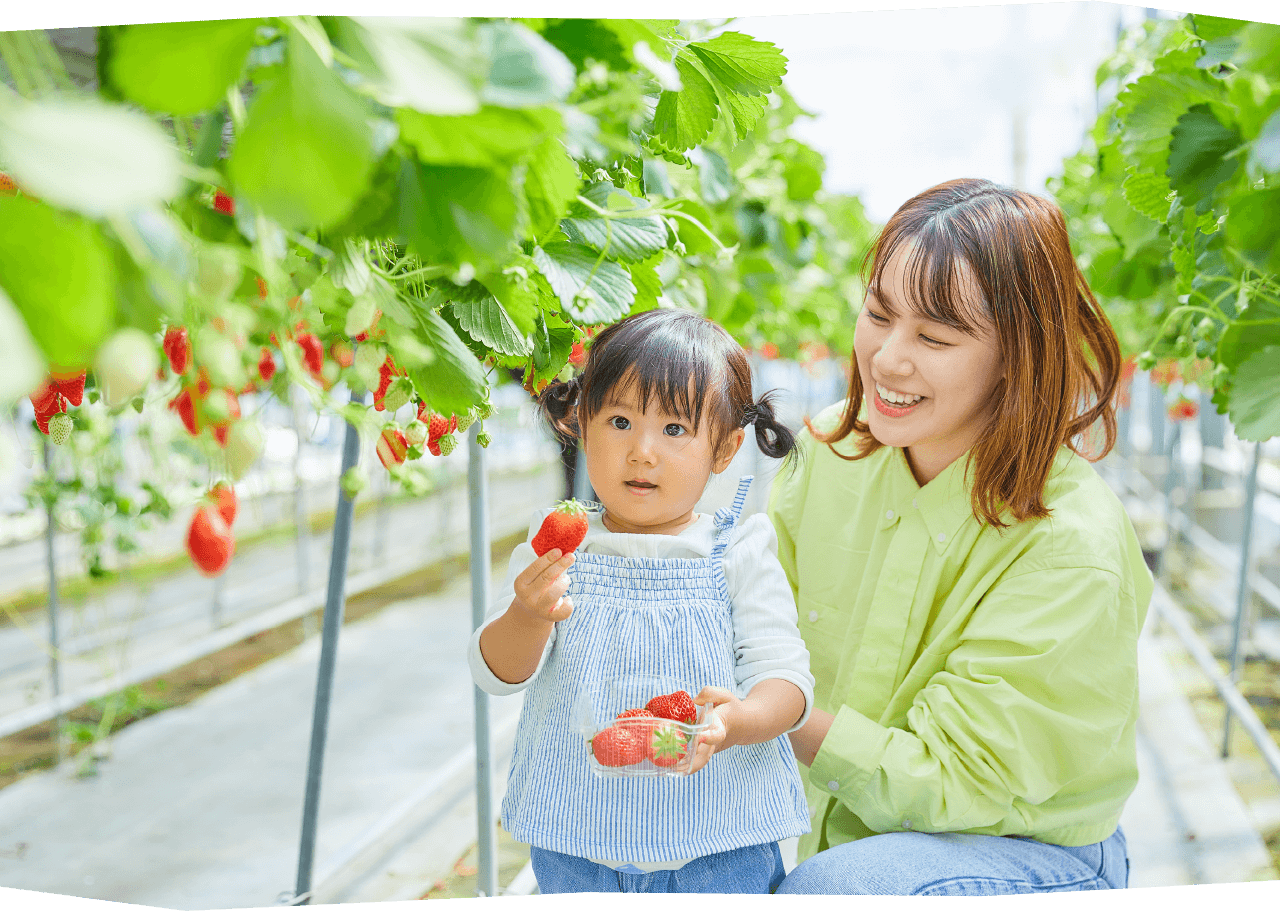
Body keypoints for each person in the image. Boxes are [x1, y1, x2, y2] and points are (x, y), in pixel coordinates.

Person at [768, 178, 1152, 895]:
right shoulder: (826, 451)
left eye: (935, 337)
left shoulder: (1068, 542)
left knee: (840, 888)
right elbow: (751, 622)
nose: (887, 358)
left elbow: (961, 781)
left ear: (1017, 355)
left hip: (1020, 845)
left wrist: (770, 716)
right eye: (878, 315)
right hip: (857, 833)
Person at [469, 308, 814, 893]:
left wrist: (736, 721)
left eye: (675, 430)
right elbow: (495, 674)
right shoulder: (556, 541)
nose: (643, 451)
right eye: (621, 420)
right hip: (578, 840)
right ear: (581, 424)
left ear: (726, 449)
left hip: (719, 841)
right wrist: (527, 614)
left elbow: (786, 680)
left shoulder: (737, 549)